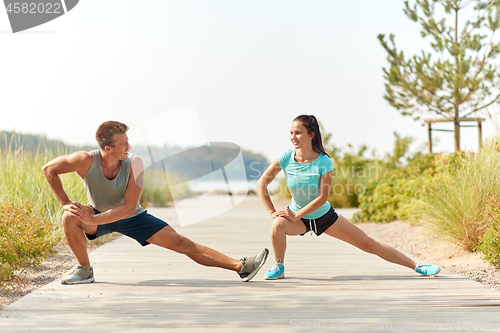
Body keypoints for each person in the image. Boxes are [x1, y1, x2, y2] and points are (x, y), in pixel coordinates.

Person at [43, 121, 268, 284]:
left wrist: (93, 218)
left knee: (183, 244)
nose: (128, 147)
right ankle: (85, 270)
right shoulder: (84, 160)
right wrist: (65, 202)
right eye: (123, 144)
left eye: (128, 141)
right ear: (108, 148)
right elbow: (49, 170)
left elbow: (129, 207)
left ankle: (241, 266)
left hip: (133, 218)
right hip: (99, 215)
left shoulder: (135, 163)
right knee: (69, 216)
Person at [256, 114, 440, 280]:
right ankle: (279, 266)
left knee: (368, 243)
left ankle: (418, 266)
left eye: (298, 133)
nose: (293, 137)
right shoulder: (287, 157)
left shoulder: (323, 161)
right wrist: (273, 212)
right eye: (291, 133)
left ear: (311, 135)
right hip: (298, 217)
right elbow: (261, 184)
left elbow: (322, 197)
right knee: (277, 225)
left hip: (323, 216)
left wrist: (295, 215)